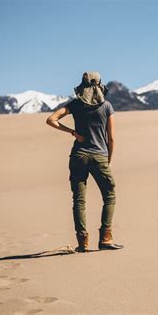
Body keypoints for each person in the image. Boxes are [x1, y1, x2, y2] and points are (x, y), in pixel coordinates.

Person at [46, 71, 123, 252]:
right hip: (99, 157)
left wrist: (73, 132)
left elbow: (51, 119)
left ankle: (83, 243)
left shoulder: (76, 105)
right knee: (109, 196)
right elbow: (111, 138)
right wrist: (108, 159)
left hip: (78, 156)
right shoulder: (107, 106)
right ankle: (105, 238)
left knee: (79, 201)